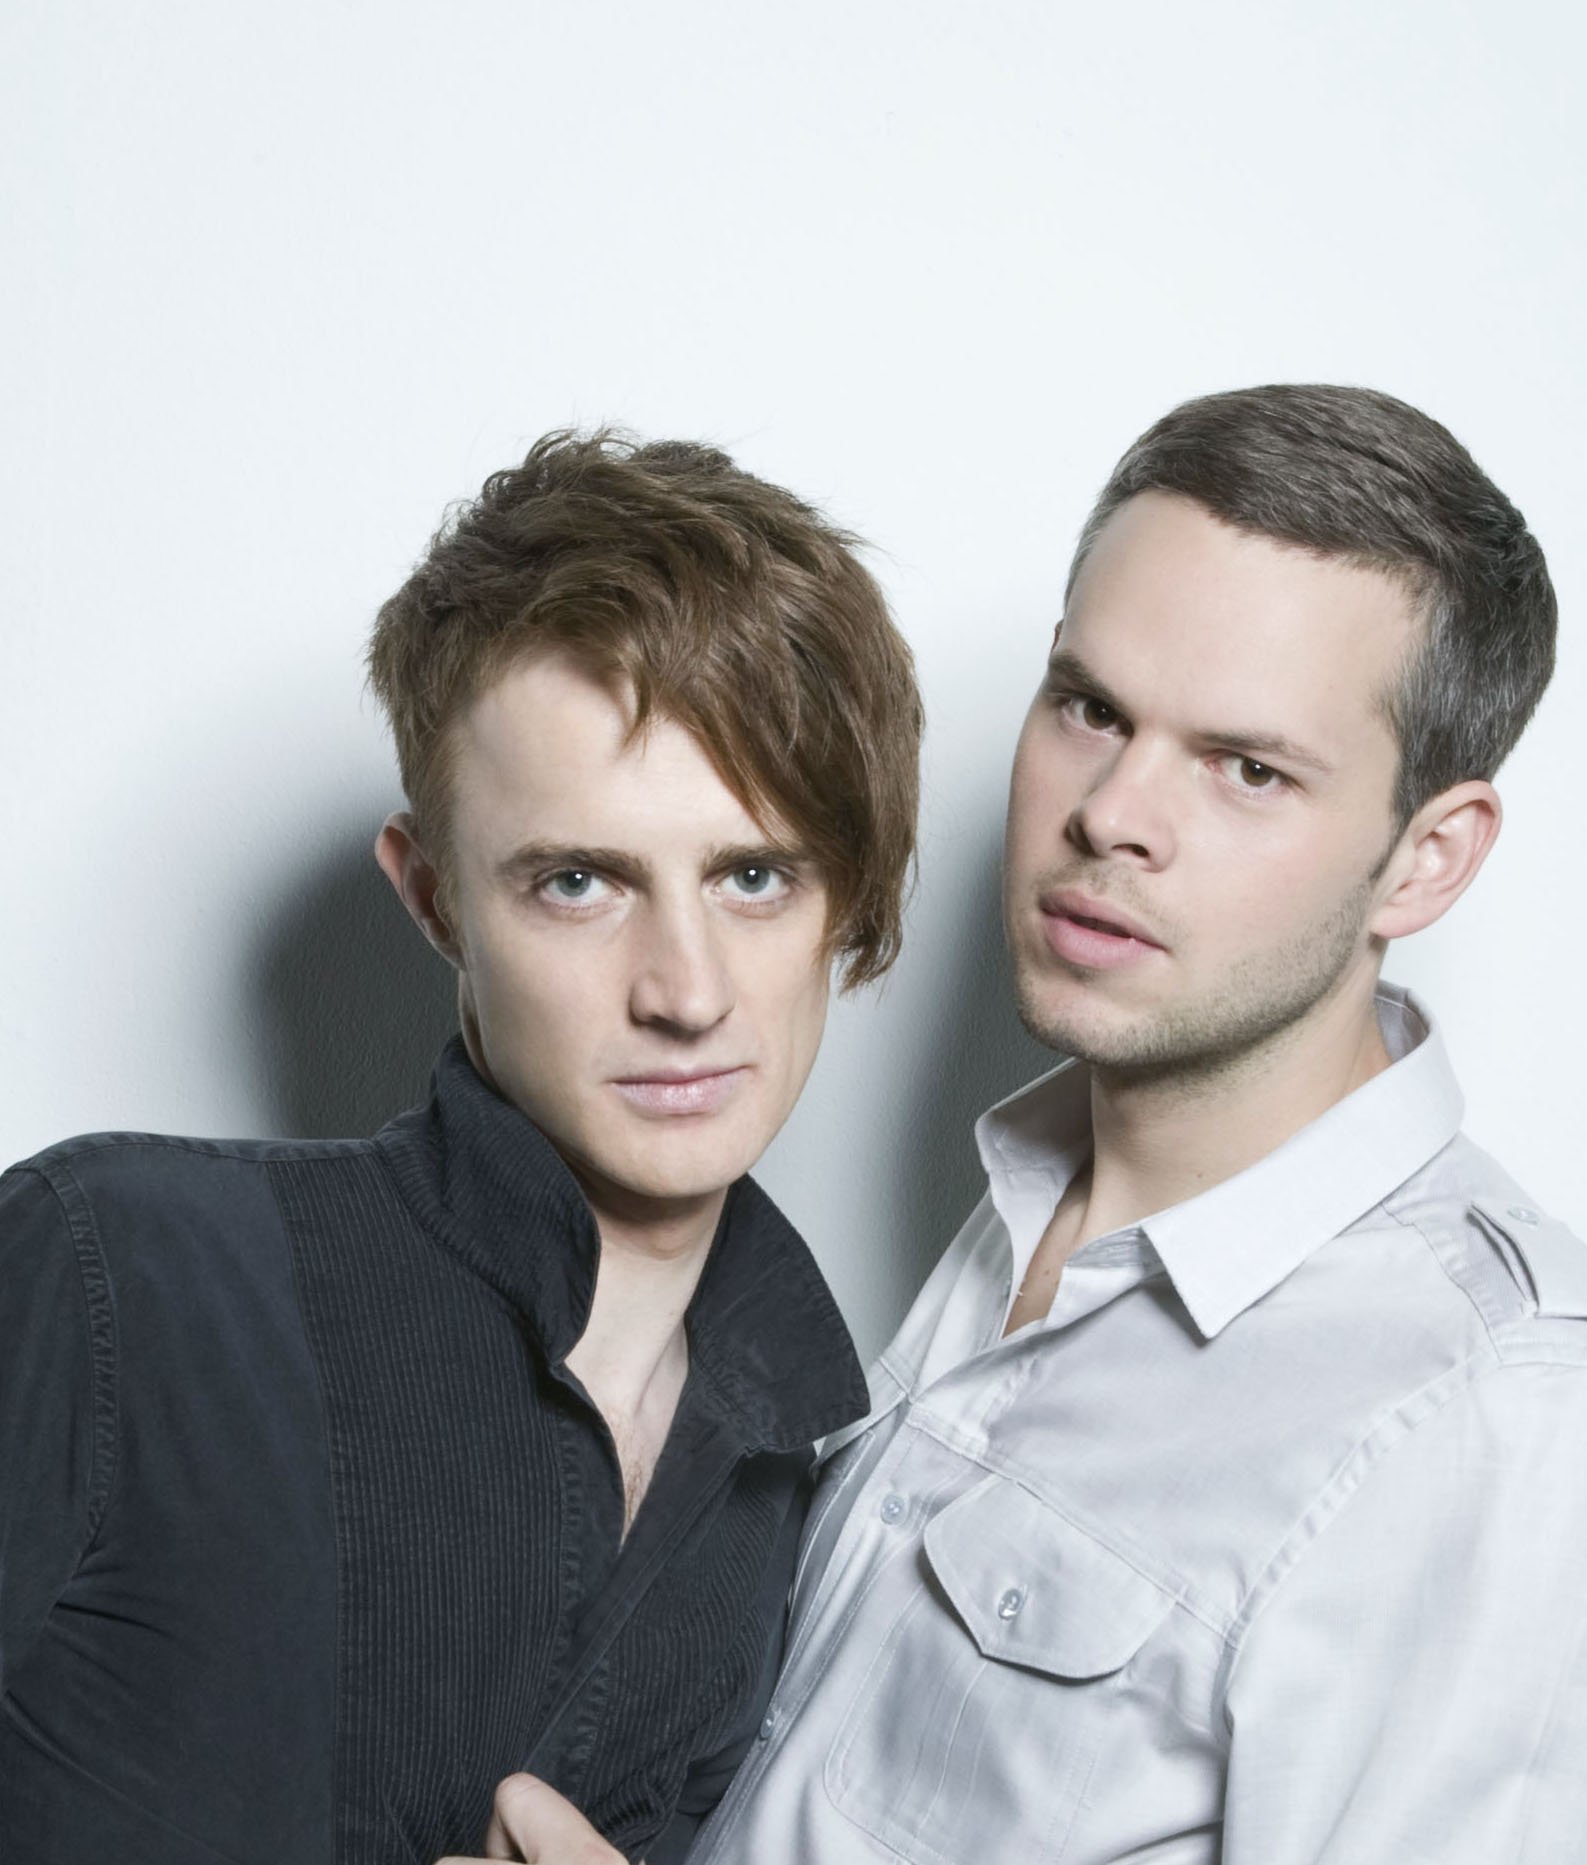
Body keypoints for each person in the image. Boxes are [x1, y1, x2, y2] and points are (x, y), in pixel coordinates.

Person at [470, 386, 1587, 1865]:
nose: (1114, 812)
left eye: (1248, 768)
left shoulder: (1506, 1412)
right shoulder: (1034, 1201)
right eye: (1091, 708)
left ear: (1426, 860)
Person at [0, 430, 922, 1864]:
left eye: (753, 875)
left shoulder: (827, 1484)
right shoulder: (119, 1269)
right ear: (432, 897)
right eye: (579, 882)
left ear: (843, 899)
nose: (686, 991)